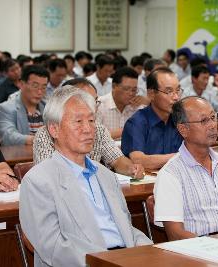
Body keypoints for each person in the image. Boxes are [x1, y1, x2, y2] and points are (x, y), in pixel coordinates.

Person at [20, 86, 152, 267]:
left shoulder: (106, 175)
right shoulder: (38, 180)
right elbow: (53, 246)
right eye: (78, 122)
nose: (88, 129)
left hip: (121, 259)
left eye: (91, 120)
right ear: (54, 130)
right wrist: (106, 262)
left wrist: (149, 253)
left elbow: (125, 229)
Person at [154, 96, 218, 240]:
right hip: (201, 249)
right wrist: (212, 248)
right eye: (204, 120)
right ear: (183, 129)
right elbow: (175, 234)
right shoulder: (171, 174)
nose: (212, 125)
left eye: (213, 117)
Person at [33, 78, 144, 178]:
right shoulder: (46, 133)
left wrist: (131, 168)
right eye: (84, 100)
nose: (92, 106)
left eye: (95, 101)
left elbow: (116, 159)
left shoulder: (98, 129)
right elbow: (47, 174)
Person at [122, 67, 183, 170]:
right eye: (169, 91)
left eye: (178, 90)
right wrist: (181, 157)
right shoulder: (136, 122)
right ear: (151, 94)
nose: (176, 97)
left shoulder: (180, 119)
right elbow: (138, 160)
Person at [0, 65, 49, 145]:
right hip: (20, 156)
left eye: (43, 87)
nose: (39, 92)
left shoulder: (48, 107)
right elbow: (7, 136)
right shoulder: (6, 108)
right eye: (35, 86)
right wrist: (38, 140)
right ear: (21, 84)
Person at [97, 67, 145, 140]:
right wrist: (125, 130)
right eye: (126, 89)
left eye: (134, 90)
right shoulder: (99, 105)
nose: (131, 93)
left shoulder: (139, 107)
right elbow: (94, 138)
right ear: (114, 86)